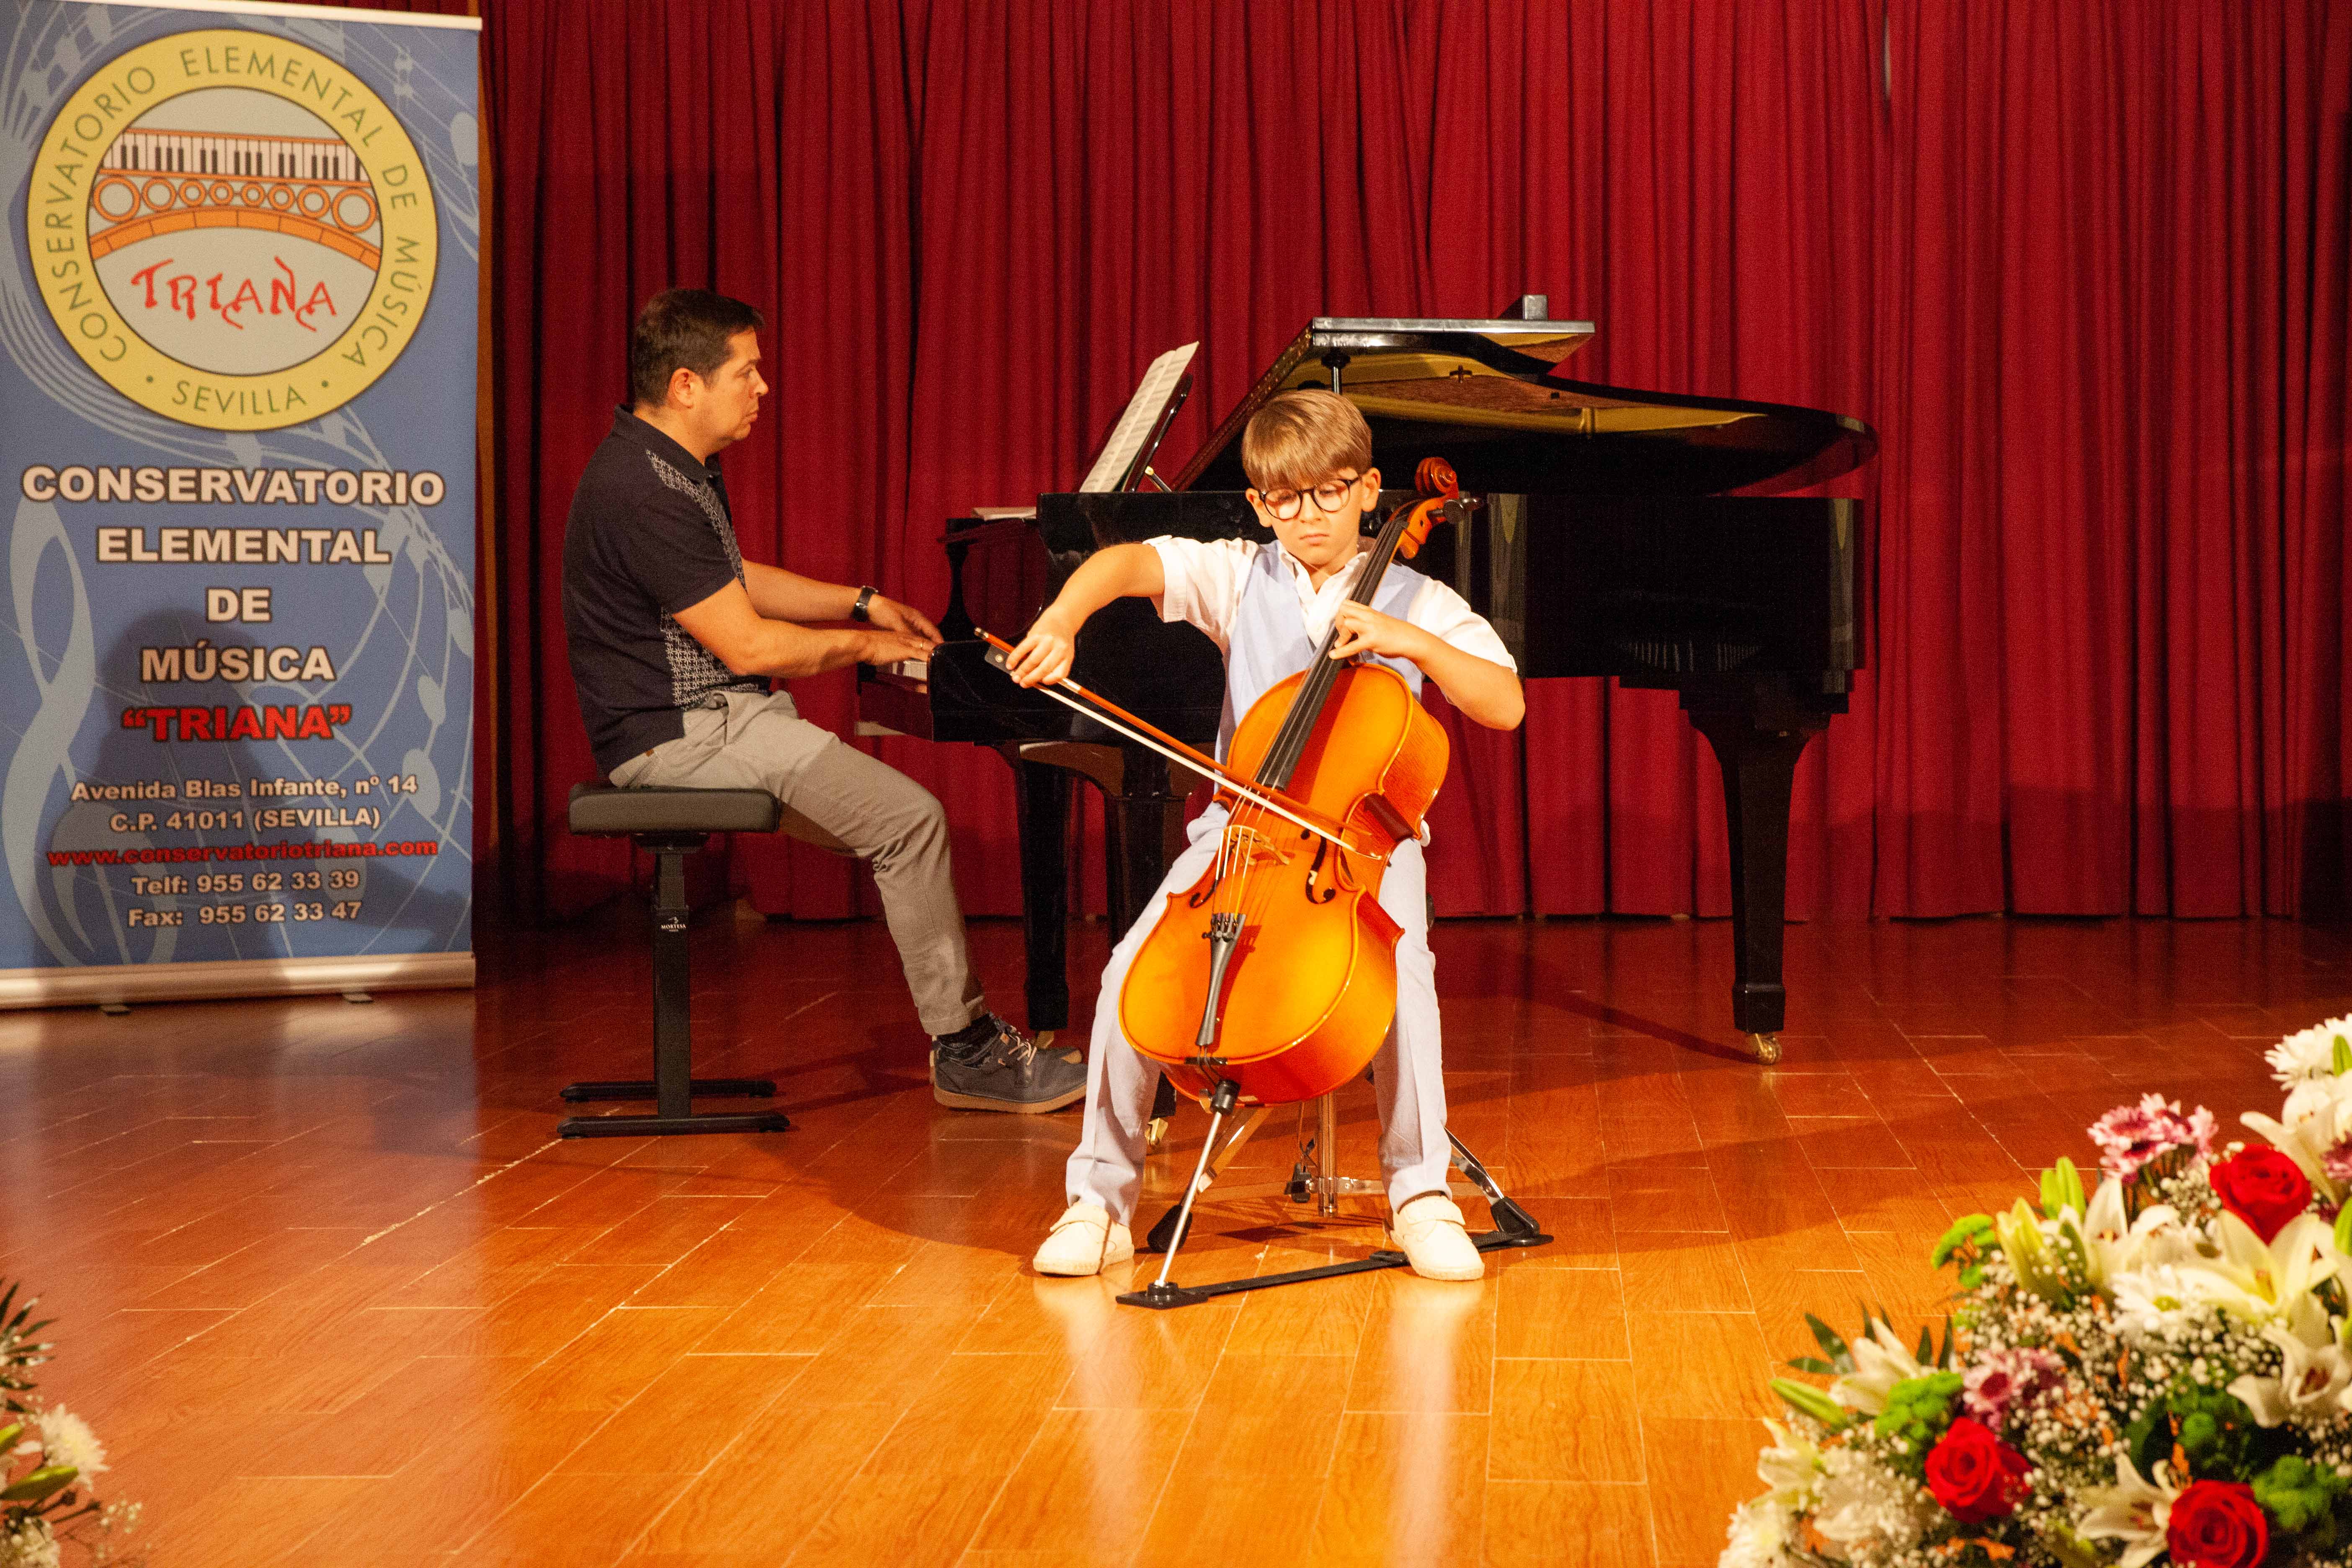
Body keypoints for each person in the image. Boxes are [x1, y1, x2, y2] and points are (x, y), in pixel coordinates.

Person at [1001, 388, 1525, 1279]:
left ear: (1369, 491)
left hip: (1366, 845)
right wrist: (1062, 617)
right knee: (1132, 969)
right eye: (1284, 499)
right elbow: (1125, 563)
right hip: (1239, 828)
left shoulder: (1419, 594)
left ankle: (1420, 1193)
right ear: (1258, 504)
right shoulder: (1241, 576)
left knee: (1400, 971)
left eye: (1328, 494)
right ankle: (1098, 1202)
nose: (1307, 517)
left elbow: (1504, 705)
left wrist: (1413, 641)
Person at [561, 287, 1086, 1114]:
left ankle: (969, 1043)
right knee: (908, 823)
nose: (762, 388)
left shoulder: (668, 463)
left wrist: (862, 601)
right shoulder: (644, 489)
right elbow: (752, 644)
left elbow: (727, 581)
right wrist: (870, 646)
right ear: (687, 385)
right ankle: (966, 1051)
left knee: (899, 829)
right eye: (748, 371)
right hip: (680, 738)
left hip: (723, 719)